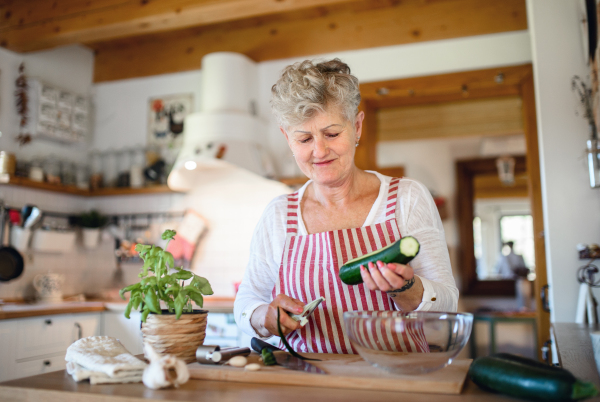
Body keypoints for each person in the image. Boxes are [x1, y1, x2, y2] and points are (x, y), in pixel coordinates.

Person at [234, 58, 458, 353]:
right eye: (304, 138)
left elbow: (447, 303)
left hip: (398, 381)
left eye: (332, 134)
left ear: (357, 126)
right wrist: (264, 317)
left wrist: (406, 289)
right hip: (309, 384)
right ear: (287, 138)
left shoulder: (407, 198)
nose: (319, 151)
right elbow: (247, 301)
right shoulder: (278, 214)